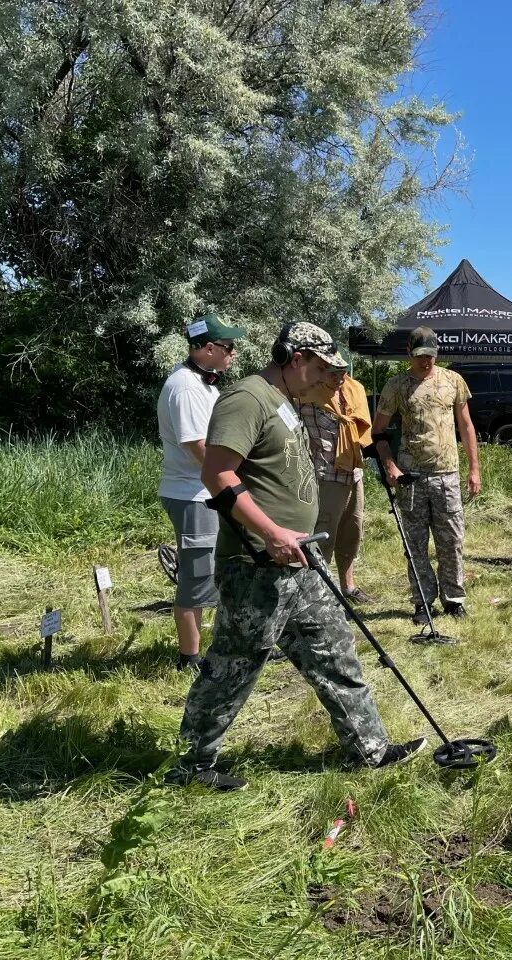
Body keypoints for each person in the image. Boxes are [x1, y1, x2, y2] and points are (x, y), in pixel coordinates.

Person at [168, 321, 426, 791]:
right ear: (296, 358)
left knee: (335, 652)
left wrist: (295, 539)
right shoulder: (247, 398)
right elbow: (217, 474)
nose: (327, 378)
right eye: (322, 367)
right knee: (234, 664)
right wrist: (271, 533)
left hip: (300, 560)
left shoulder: (286, 401)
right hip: (257, 565)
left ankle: (368, 749)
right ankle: (192, 764)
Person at [373, 327, 481, 624]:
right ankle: (422, 600)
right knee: (415, 543)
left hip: (447, 475)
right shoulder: (396, 385)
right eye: (420, 355)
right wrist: (390, 466)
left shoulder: (453, 381)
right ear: (409, 353)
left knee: (451, 540)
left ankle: (454, 599)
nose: (426, 361)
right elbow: (378, 430)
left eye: (431, 355)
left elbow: (467, 426)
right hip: (411, 476)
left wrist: (474, 468)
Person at [157, 313, 246, 672]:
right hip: (194, 493)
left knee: (213, 570)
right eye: (228, 347)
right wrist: (230, 480)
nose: (233, 353)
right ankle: (190, 660)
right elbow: (197, 446)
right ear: (207, 349)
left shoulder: (205, 383)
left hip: (204, 490)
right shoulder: (187, 387)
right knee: (195, 576)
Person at [298, 360, 375, 603]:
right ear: (321, 370)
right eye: (333, 372)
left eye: (343, 371)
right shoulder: (306, 394)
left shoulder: (355, 390)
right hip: (325, 475)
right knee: (324, 534)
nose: (339, 377)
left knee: (352, 531)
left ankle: (348, 587)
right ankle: (320, 592)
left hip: (353, 472)